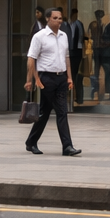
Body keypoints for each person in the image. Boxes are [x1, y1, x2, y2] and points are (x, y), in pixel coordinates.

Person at [24, 8, 81, 156]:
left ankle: (66, 147)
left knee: (59, 112)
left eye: (60, 18)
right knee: (47, 112)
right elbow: (31, 59)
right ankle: (32, 142)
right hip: (46, 78)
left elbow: (67, 58)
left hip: (61, 77)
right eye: (55, 18)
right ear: (48, 19)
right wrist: (33, 80)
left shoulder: (63, 36)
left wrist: (69, 77)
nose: (58, 21)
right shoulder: (39, 36)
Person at [66, 9, 86, 104]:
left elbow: (81, 36)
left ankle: (78, 97)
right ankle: (70, 96)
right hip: (70, 50)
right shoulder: (69, 24)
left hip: (77, 50)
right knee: (71, 74)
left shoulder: (78, 24)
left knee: (76, 74)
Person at [87, 9, 105, 100]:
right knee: (97, 69)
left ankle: (97, 89)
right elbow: (90, 36)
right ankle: (96, 89)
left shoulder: (96, 24)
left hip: (98, 48)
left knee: (97, 69)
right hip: (98, 48)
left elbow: (89, 35)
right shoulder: (97, 24)